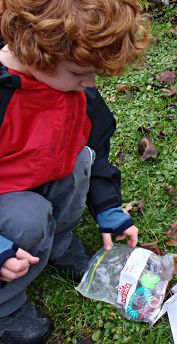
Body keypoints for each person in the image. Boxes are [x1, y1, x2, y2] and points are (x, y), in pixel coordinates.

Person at [0, 1, 149, 343]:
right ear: (36, 53)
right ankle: (5, 306)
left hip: (39, 172)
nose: (90, 82)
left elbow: (94, 142)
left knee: (81, 157)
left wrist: (108, 204)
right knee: (29, 217)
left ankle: (59, 242)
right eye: (79, 73)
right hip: (8, 200)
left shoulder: (71, 84)